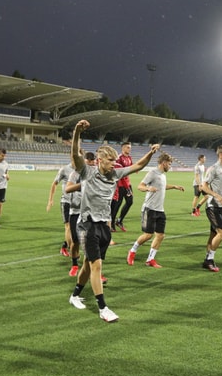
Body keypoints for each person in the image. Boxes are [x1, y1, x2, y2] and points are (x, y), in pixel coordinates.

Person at [67, 120, 160, 322]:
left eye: (114, 161)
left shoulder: (115, 174)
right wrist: (76, 132)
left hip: (104, 226)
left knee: (87, 265)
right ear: (100, 159)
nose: (114, 164)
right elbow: (75, 155)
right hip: (86, 225)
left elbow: (139, 166)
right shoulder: (87, 172)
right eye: (110, 161)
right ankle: (103, 308)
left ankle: (75, 295)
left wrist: (151, 153)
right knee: (97, 266)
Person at [126, 153, 184, 268]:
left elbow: (162, 186)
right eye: (169, 163)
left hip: (160, 210)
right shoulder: (152, 173)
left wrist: (174, 186)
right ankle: (132, 251)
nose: (170, 166)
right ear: (164, 163)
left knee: (160, 235)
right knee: (148, 235)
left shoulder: (162, 175)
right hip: (149, 209)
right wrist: (148, 188)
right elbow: (140, 186)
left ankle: (150, 259)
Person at [65, 152, 96, 277]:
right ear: (84, 161)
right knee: (75, 242)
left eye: (92, 161)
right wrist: (84, 186)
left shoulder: (95, 173)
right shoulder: (75, 174)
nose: (91, 163)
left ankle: (95, 270)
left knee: (92, 242)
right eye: (89, 161)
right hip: (75, 211)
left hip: (89, 212)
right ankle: (74, 265)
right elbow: (68, 188)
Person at [48, 162, 75, 257]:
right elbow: (54, 183)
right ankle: (72, 251)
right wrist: (50, 200)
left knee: (77, 228)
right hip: (66, 202)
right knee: (68, 227)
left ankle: (65, 246)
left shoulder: (83, 169)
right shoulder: (64, 169)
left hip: (78, 203)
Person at [110, 142, 134, 232]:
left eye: (130, 147)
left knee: (130, 202)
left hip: (127, 183)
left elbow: (130, 168)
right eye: (128, 147)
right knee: (117, 204)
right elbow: (120, 173)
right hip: (120, 185)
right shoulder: (119, 158)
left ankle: (119, 220)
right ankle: (111, 224)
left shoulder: (129, 158)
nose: (129, 149)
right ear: (123, 148)